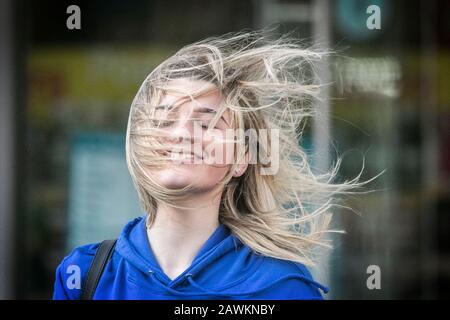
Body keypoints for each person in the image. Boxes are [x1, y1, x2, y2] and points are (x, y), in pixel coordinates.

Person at [53, 30, 376, 300]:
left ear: (241, 159)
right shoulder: (84, 274)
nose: (181, 134)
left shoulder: (282, 286)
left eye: (207, 124)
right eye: (164, 121)